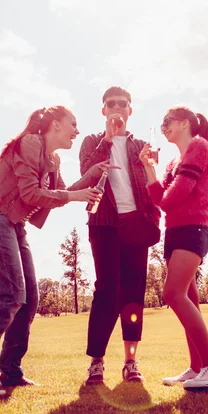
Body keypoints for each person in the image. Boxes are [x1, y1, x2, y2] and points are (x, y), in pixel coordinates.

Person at [0, 106, 113, 396]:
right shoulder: (30, 143)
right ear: (54, 125)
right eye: (72, 124)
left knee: (29, 300)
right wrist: (75, 196)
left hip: (13, 224)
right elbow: (30, 194)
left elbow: (62, 193)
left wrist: (90, 175)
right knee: (11, 297)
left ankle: (11, 373)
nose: (77, 130)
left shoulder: (53, 158)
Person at [139, 106, 208, 389]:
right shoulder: (172, 163)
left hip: (194, 229)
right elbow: (160, 199)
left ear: (184, 123)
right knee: (189, 298)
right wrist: (149, 169)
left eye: (167, 122)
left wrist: (160, 189)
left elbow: (170, 197)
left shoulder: (199, 148)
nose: (163, 127)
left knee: (172, 293)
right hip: (175, 232)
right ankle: (197, 366)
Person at [79, 86, 161, 385]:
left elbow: (152, 184)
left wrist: (152, 216)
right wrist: (108, 139)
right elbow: (87, 173)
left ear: (130, 110)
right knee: (106, 290)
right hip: (103, 223)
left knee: (133, 294)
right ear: (103, 110)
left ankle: (130, 362)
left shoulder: (141, 145)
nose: (117, 108)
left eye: (122, 104)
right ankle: (97, 362)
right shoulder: (91, 142)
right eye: (111, 104)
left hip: (135, 224)